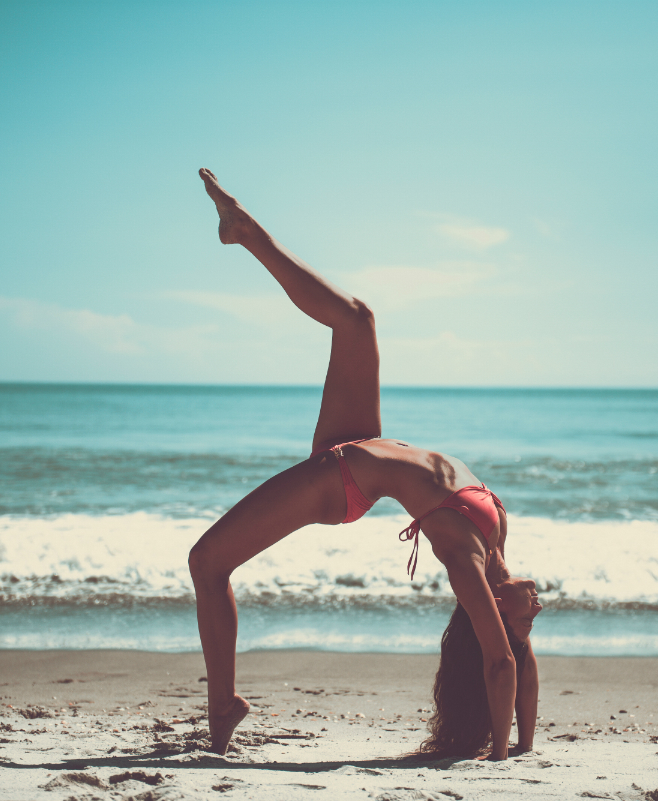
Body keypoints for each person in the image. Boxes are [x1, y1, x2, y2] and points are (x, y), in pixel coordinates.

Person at [188, 169, 542, 760]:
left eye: (528, 619)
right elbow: (520, 660)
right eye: (533, 617)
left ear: (496, 611)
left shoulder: (466, 562)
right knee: (358, 319)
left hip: (342, 482)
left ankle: (222, 702)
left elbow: (503, 661)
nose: (539, 604)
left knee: (206, 563)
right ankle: (245, 231)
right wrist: (528, 743)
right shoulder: (496, 528)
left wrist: (502, 754)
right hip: (362, 443)